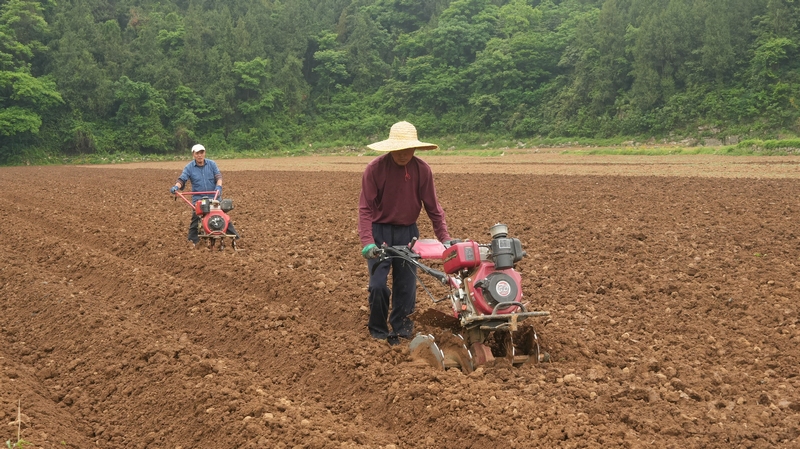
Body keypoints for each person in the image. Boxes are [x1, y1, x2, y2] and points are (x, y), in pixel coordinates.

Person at [358, 121, 452, 346]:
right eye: (399, 150)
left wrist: (445, 239)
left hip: (408, 233)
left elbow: (433, 208)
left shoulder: (422, 170)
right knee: (378, 284)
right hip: (380, 232)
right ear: (391, 148)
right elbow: (365, 208)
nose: (403, 154)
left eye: (408, 149)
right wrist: (368, 242)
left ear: (415, 148)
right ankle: (378, 330)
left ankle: (401, 330)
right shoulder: (375, 169)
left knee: (406, 285)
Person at [170, 144, 239, 249]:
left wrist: (219, 187)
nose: (200, 155)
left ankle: (236, 238)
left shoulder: (212, 164)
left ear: (204, 153)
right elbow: (182, 179)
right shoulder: (189, 167)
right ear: (193, 154)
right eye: (197, 153)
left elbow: (218, 177)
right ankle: (193, 241)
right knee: (196, 218)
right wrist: (176, 187)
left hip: (214, 197)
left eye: (201, 153)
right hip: (199, 199)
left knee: (222, 217)